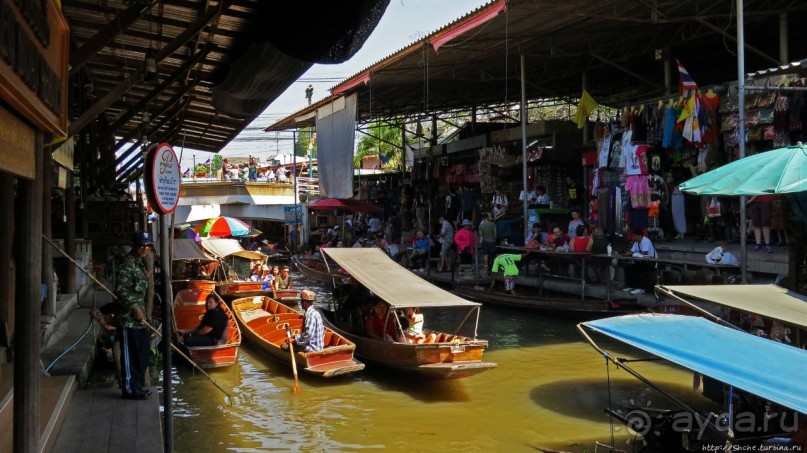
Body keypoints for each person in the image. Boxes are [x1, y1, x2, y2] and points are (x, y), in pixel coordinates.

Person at [115, 231, 153, 400]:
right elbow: (121, 290)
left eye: (147, 246)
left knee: (143, 354)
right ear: (135, 246)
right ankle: (130, 388)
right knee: (130, 356)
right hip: (129, 320)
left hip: (141, 320)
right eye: (142, 245)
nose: (145, 249)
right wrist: (134, 308)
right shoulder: (127, 264)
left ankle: (137, 385)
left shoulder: (140, 265)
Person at [622, 231, 658, 295]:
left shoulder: (646, 241)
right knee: (628, 268)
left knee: (639, 270)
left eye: (634, 236)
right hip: (642, 262)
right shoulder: (636, 243)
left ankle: (641, 289)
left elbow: (644, 252)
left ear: (640, 236)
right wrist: (625, 254)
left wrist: (634, 253)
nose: (633, 238)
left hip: (651, 263)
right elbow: (631, 251)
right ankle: (631, 286)